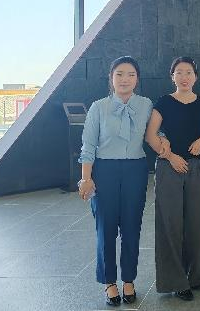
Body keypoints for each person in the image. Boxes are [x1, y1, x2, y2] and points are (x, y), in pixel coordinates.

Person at [78, 56, 161, 306]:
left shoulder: (146, 104)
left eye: (131, 75)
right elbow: (88, 146)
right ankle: (109, 282)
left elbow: (154, 131)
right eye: (120, 74)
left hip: (135, 170)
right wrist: (86, 178)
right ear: (111, 78)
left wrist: (165, 141)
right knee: (105, 228)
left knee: (132, 227)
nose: (125, 79)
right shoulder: (98, 107)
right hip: (104, 171)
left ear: (137, 79)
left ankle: (128, 280)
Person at [145, 57, 200, 302]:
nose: (184, 77)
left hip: (196, 168)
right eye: (179, 72)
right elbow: (151, 135)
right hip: (169, 167)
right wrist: (171, 156)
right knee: (170, 225)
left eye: (189, 72)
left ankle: (195, 276)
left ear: (195, 76)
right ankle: (176, 281)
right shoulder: (163, 103)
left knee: (196, 223)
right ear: (172, 76)